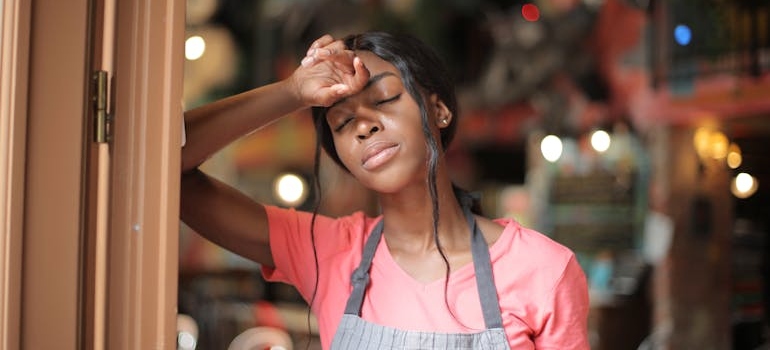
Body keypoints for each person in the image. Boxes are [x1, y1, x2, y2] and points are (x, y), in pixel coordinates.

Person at [180, 31, 590, 349]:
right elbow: (169, 168)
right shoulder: (328, 252)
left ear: (439, 110)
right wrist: (292, 92)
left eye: (384, 99)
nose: (364, 125)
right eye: (343, 123)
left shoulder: (542, 269)